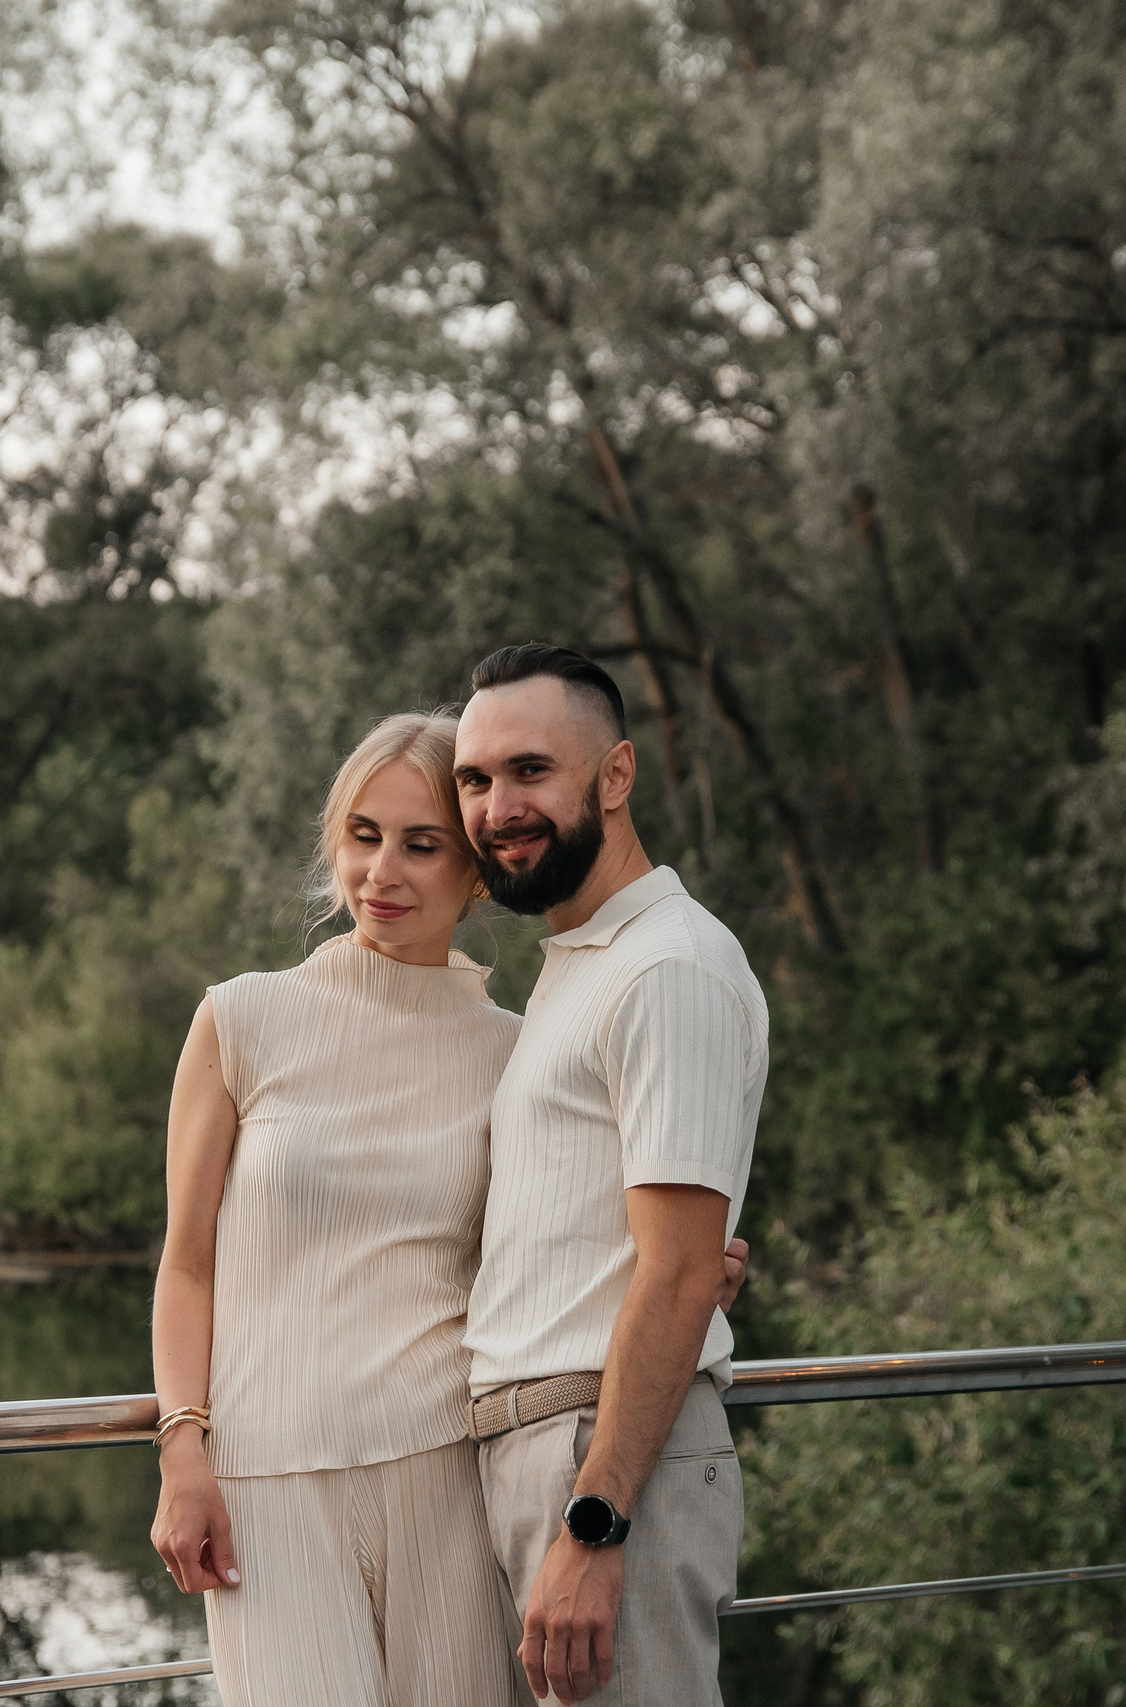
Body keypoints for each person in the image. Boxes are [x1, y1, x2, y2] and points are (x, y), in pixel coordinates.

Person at [147, 709, 746, 1707]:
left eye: (422, 845)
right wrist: (182, 1445)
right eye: (362, 837)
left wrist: (708, 1267)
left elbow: (576, 1236)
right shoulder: (241, 1019)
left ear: (475, 873)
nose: (382, 874)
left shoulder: (519, 1047)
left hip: (452, 1479)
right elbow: (187, 1261)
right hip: (267, 1485)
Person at [453, 644, 769, 1707]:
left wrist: (595, 1524)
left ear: (616, 776)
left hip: (601, 1461)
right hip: (550, 1452)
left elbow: (679, 1277)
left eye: (531, 771)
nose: (499, 806)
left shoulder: (664, 968)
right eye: (475, 779)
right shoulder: (582, 963)